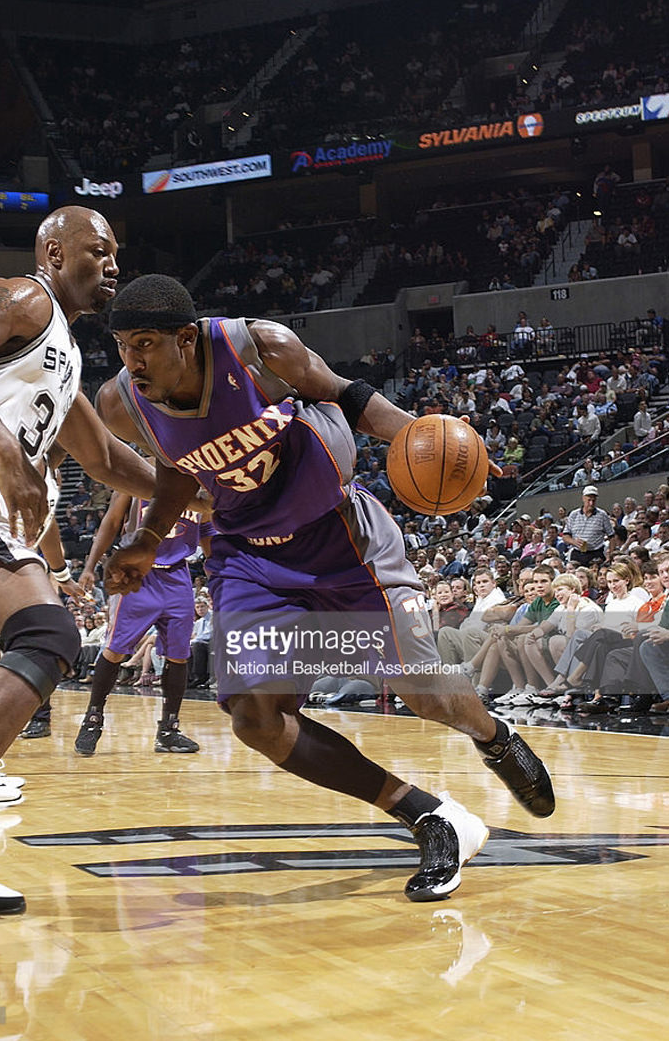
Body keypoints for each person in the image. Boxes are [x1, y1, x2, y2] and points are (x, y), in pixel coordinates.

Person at [95, 274, 555, 904]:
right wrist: (149, 537)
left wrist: (432, 440)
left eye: (145, 343)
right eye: (123, 345)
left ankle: (493, 738)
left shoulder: (259, 349)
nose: (132, 359)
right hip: (250, 558)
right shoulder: (121, 402)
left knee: (422, 693)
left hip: (343, 540)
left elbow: (352, 396)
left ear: (185, 336)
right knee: (255, 718)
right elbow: (176, 470)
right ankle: (427, 814)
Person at [0, 206, 156, 915]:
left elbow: (108, 458)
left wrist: (200, 496)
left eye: (117, 253)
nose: (112, 263)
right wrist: (1, 450)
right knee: (49, 635)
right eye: (97, 249)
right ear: (54, 252)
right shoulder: (26, 297)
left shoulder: (63, 354)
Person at [73, 487, 214, 756]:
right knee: (115, 650)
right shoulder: (136, 474)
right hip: (137, 573)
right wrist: (90, 566)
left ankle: (169, 730)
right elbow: (112, 522)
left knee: (179, 655)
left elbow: (207, 530)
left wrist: (215, 572)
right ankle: (92, 720)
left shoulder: (200, 483)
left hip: (177, 575)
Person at [561, 485, 615, 566]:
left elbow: (612, 536)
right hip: (577, 554)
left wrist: (610, 554)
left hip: (596, 554)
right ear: (583, 498)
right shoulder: (574, 514)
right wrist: (574, 542)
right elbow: (565, 536)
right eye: (589, 500)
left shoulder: (602, 515)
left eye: (593, 500)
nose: (591, 503)